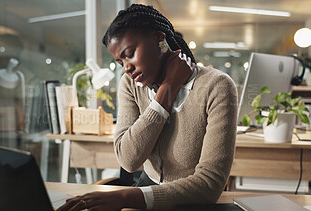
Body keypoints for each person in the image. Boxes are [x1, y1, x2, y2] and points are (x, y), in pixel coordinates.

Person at [58, 4, 237, 211]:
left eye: (130, 53)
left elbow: (209, 184)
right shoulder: (130, 85)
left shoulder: (217, 86)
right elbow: (128, 160)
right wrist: (165, 94)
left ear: (159, 38)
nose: (127, 68)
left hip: (192, 202)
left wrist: (127, 197)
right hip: (143, 191)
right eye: (119, 61)